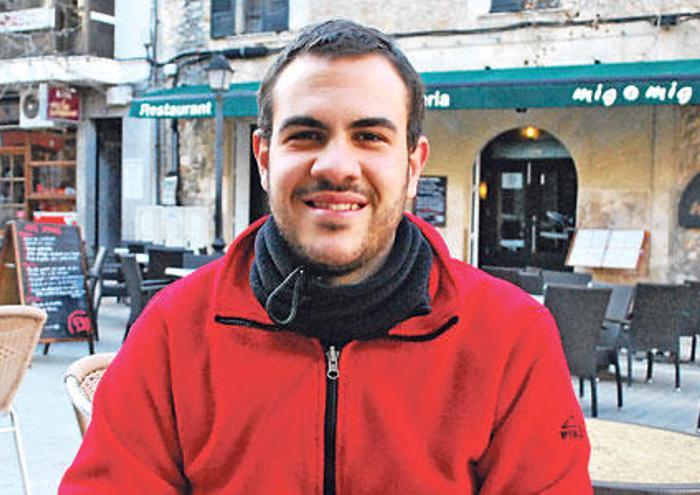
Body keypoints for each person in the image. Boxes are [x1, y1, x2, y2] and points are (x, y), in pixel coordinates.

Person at [60, 19, 591, 494]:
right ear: (265, 160)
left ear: (412, 165)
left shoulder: (510, 336)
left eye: (369, 136)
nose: (336, 165)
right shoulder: (176, 330)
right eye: (307, 134)